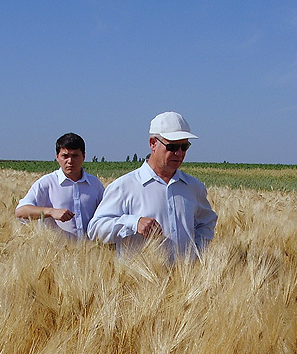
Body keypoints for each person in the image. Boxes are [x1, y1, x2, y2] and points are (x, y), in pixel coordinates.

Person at [87, 111, 217, 260]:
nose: (179, 153)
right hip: (140, 280)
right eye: (172, 147)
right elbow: (95, 229)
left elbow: (206, 222)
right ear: (153, 143)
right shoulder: (124, 186)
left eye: (184, 146)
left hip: (186, 279)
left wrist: (197, 252)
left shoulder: (194, 187)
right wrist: (133, 222)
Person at [15, 133, 104, 239]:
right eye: (65, 156)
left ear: (83, 156)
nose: (70, 161)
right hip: (56, 253)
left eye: (75, 155)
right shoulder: (46, 183)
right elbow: (20, 211)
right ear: (57, 157)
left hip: (90, 252)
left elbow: (107, 214)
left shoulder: (95, 184)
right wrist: (51, 212)